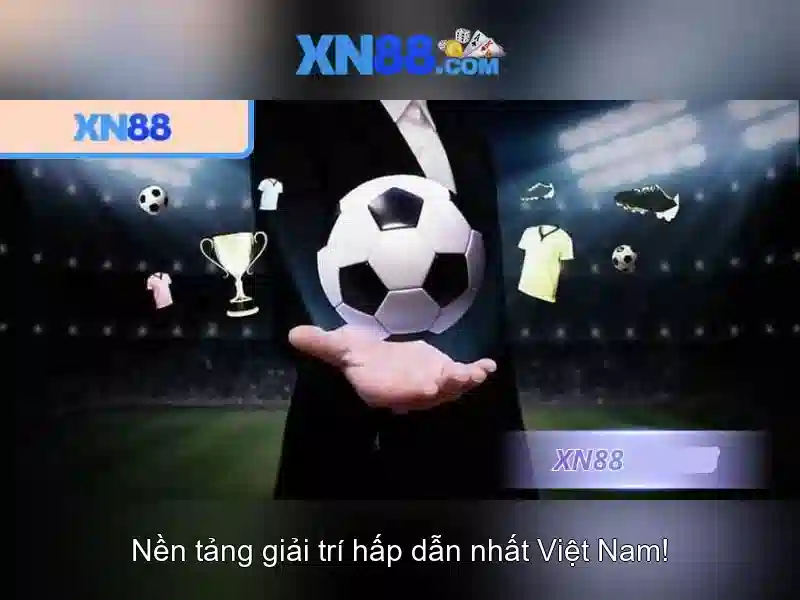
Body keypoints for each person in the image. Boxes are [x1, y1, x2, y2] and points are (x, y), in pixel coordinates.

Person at [250, 100, 529, 498]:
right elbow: (285, 246)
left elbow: (483, 267)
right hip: (362, 437)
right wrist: (335, 336)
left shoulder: (464, 125)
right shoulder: (297, 114)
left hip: (486, 422)